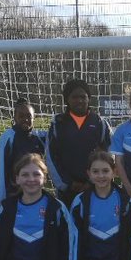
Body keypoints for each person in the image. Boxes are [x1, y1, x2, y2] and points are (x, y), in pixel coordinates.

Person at [46, 78, 112, 207]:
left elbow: (109, 154)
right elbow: (51, 157)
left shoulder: (100, 123)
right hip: (67, 191)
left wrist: (93, 180)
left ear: (89, 98)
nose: (79, 100)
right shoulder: (58, 123)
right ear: (67, 99)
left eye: (83, 97)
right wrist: (67, 183)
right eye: (74, 97)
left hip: (95, 187)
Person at [0, 99, 47, 205]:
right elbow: (1, 172)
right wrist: (2, 201)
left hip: (35, 195)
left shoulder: (39, 137)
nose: (25, 119)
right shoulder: (7, 138)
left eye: (29, 116)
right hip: (13, 197)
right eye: (21, 116)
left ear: (34, 117)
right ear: (15, 118)